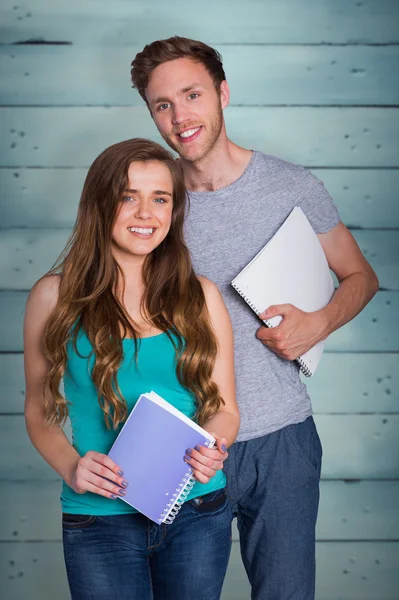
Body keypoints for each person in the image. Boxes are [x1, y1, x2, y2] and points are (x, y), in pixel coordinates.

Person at [130, 37, 379, 600]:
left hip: (282, 442)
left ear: (222, 93)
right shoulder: (153, 201)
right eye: (162, 105)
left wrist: (319, 321)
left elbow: (360, 276)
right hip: (185, 441)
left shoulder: (293, 187)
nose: (179, 117)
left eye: (191, 95)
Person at [23, 138, 239, 600]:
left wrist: (215, 445)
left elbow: (225, 410)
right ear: (100, 204)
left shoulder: (201, 297)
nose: (146, 213)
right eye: (128, 196)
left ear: (173, 210)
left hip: (198, 512)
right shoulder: (52, 297)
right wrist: (71, 467)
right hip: (98, 517)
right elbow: (39, 413)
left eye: (160, 198)